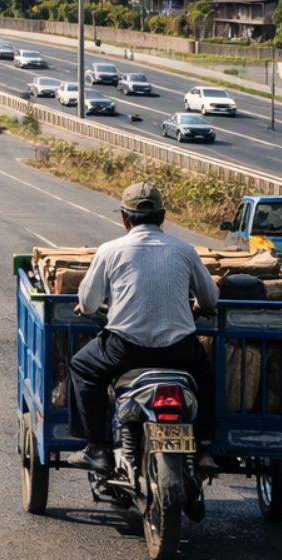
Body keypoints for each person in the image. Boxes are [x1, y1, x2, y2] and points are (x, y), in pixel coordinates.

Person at [64, 183, 218, 475]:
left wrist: (89, 308)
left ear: (124, 218)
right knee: (207, 376)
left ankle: (96, 448)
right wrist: (200, 306)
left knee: (82, 367)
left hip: (125, 351)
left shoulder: (110, 251)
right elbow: (210, 299)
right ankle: (206, 447)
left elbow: (87, 302)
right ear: (162, 217)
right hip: (179, 353)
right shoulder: (184, 250)